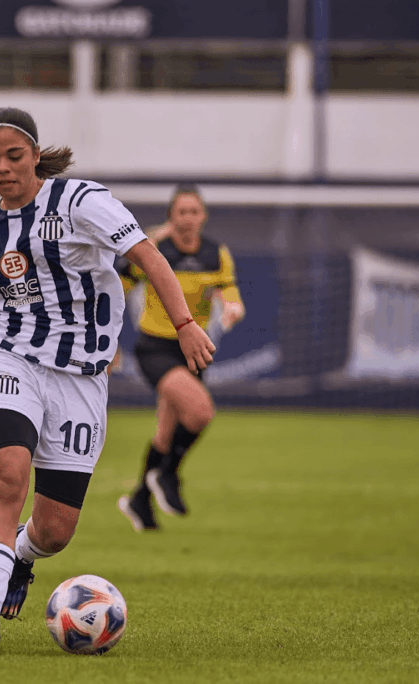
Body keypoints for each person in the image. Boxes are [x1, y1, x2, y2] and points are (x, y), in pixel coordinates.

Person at [0, 107, 217, 654]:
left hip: (81, 379)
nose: (2, 168)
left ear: (34, 155)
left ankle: (22, 556)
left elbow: (147, 255)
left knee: (55, 530)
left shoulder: (80, 201)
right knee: (6, 476)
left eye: (14, 156)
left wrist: (185, 324)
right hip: (12, 360)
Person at [116, 185, 245, 533]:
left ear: (204, 216)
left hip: (193, 350)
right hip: (155, 347)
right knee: (200, 413)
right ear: (170, 217)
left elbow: (227, 288)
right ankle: (167, 475)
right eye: (181, 212)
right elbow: (117, 288)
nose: (188, 218)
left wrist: (232, 306)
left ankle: (140, 500)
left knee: (164, 436)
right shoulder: (155, 249)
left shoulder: (216, 253)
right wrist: (109, 339)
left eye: (194, 211)